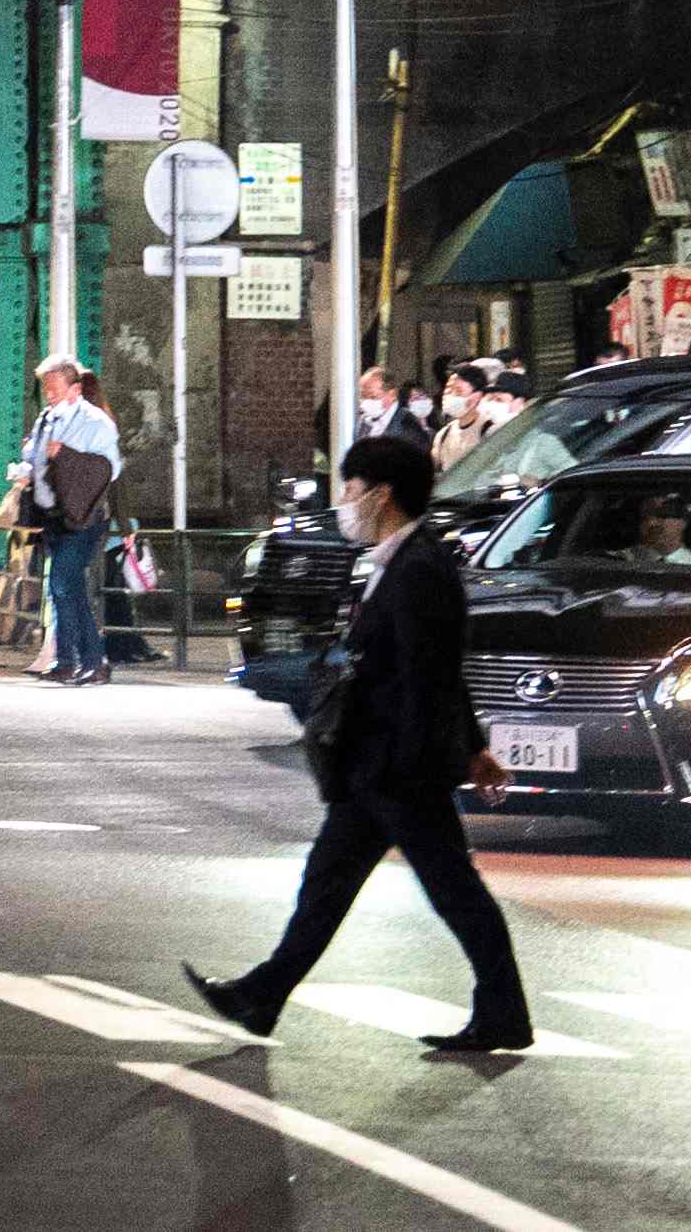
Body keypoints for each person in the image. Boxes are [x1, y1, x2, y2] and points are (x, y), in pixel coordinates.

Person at [182, 433, 535, 1058]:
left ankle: (504, 1013)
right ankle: (263, 994)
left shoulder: (420, 567)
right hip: (377, 766)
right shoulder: (395, 561)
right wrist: (471, 747)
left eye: (351, 487)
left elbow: (434, 671)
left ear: (382, 493)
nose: (344, 500)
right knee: (329, 883)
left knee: (454, 890)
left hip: (401, 768)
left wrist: (447, 755)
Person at [12, 356, 121, 686]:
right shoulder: (46, 419)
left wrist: (65, 456)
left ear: (75, 389)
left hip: (85, 518)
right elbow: (35, 461)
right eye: (45, 387)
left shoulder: (96, 423)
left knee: (61, 583)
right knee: (68, 588)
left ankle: (78, 660)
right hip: (54, 516)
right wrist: (25, 472)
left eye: (54, 388)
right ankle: (84, 662)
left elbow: (109, 470)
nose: (49, 394)